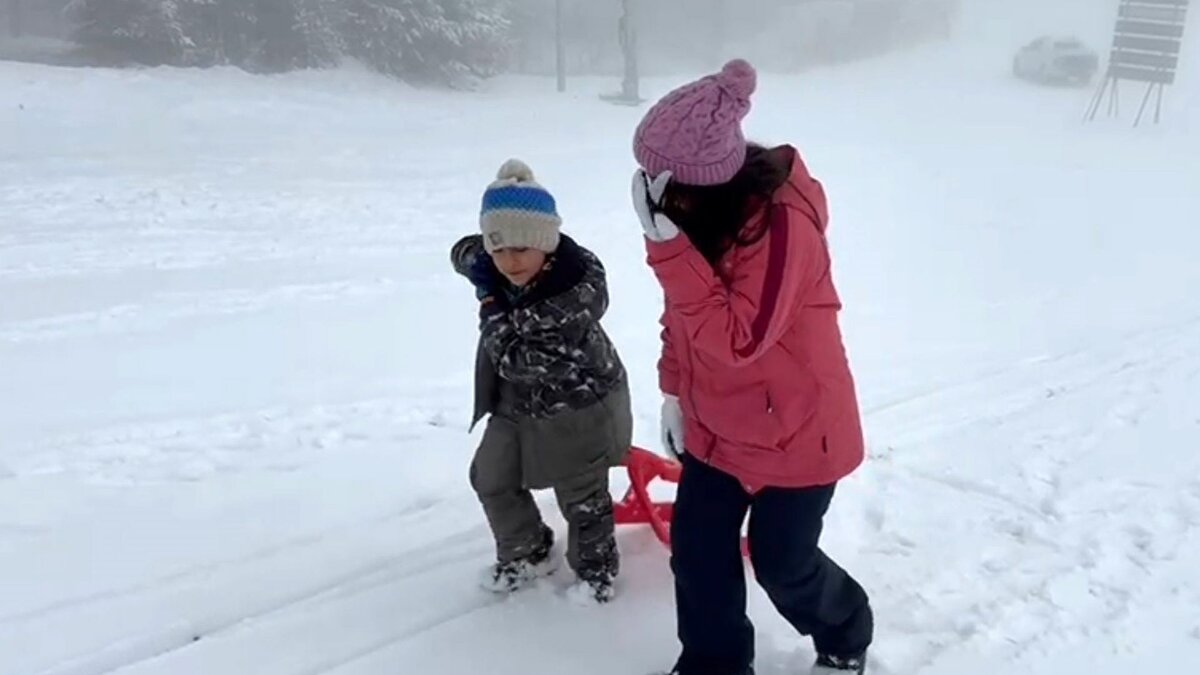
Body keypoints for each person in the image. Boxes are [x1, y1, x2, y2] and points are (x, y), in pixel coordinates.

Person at [630, 59, 874, 674]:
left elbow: (741, 338)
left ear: (702, 183)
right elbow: (682, 317)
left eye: (661, 181)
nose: (652, 192)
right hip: (719, 427)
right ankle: (715, 664)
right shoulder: (696, 223)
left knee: (783, 563)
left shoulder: (783, 227)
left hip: (798, 433)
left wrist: (668, 250)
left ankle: (845, 633)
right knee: (698, 553)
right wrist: (675, 393)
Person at [450, 158, 633, 604]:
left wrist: (490, 301)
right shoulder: (502, 261)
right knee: (491, 477)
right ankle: (527, 550)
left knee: (581, 497)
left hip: (577, 408)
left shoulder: (568, 300)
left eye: (520, 250)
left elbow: (516, 361)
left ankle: (595, 574)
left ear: (545, 245)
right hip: (516, 403)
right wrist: (477, 258)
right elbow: (465, 250)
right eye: (498, 251)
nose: (509, 262)